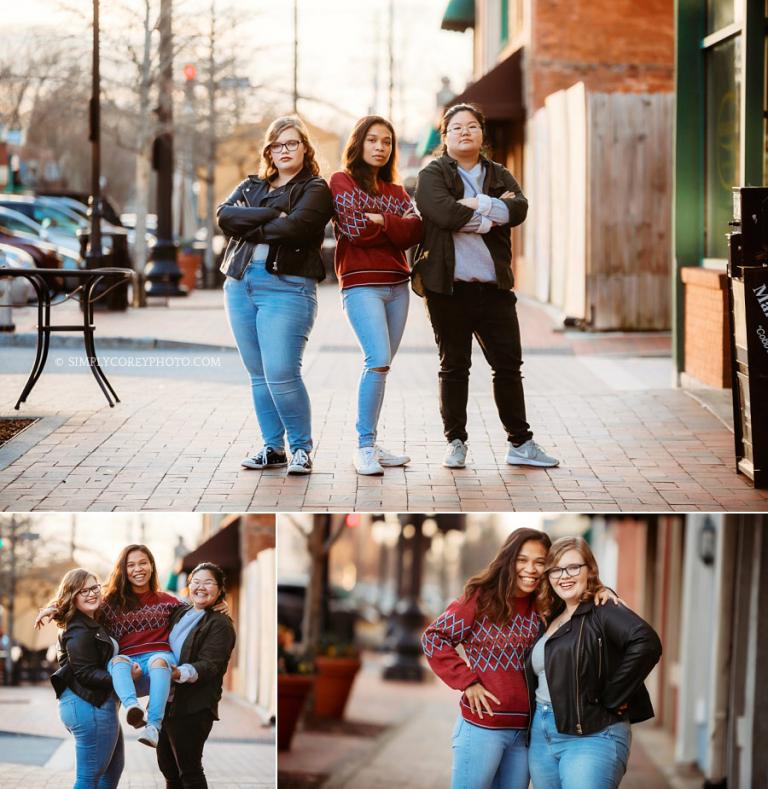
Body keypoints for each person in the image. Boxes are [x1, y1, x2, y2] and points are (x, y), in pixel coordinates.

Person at [413, 102, 558, 470]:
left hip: (494, 290)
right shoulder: (432, 174)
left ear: (482, 134)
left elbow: (520, 209)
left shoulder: (498, 173)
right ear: (444, 136)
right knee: (454, 367)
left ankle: (520, 443)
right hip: (448, 289)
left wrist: (477, 202)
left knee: (508, 367)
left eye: (472, 126)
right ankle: (456, 443)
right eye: (457, 127)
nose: (465, 132)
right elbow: (442, 212)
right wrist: (493, 216)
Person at [421, 529, 618, 789]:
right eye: (522, 560)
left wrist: (602, 591)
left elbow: (577, 596)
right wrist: (467, 682)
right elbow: (434, 637)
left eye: (540, 562)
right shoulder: (480, 600)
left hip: (526, 733)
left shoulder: (546, 605)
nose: (531, 569)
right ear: (508, 560)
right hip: (483, 727)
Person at [217, 116, 334, 476]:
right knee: (258, 373)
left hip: (287, 288)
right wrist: (271, 212)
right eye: (277, 145)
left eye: (292, 143)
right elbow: (224, 217)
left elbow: (297, 227)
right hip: (239, 285)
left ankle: (300, 448)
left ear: (304, 148)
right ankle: (273, 449)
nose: (284, 150)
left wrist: (252, 222)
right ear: (268, 150)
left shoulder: (314, 189)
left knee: (282, 371)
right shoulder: (252, 186)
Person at [526, 537, 662, 788]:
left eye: (573, 567)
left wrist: (614, 695)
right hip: (542, 735)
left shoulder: (603, 608)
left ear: (590, 570)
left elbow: (647, 643)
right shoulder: (550, 616)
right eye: (556, 569)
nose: (563, 576)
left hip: (593, 735)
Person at [329, 115, 423, 475]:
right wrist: (391, 225)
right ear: (359, 143)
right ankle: (363, 446)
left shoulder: (398, 192)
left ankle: (373, 441)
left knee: (382, 368)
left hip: (398, 286)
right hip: (360, 284)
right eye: (373, 140)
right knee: (378, 359)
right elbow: (354, 230)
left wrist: (381, 220)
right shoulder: (341, 181)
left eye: (386, 142)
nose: (380, 147)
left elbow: (414, 231)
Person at [157, 562, 237, 789]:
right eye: (196, 582)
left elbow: (210, 665)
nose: (201, 587)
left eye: (209, 582)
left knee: (189, 772)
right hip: (165, 702)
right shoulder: (180, 612)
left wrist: (178, 673)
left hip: (193, 707)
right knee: (169, 770)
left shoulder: (220, 624)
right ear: (188, 585)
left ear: (220, 589)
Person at [48, 568, 124, 788]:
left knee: (110, 773)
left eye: (94, 588)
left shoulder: (92, 621)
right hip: (89, 705)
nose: (91, 594)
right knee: (89, 778)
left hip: (96, 704)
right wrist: (124, 677)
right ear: (72, 596)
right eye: (83, 591)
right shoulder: (79, 629)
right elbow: (86, 672)